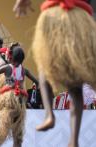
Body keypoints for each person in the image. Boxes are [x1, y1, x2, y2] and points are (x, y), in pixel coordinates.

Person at [32, 0, 95, 147]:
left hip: (68, 17)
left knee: (45, 68)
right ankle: (72, 139)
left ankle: (49, 116)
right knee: (74, 86)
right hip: (75, 18)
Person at [0, 46, 28, 147]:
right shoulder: (20, 71)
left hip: (5, 106)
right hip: (17, 103)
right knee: (16, 135)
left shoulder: (5, 72)